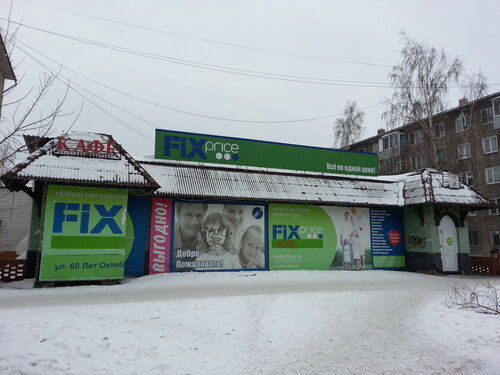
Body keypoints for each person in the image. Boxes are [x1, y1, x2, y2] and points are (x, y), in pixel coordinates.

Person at [173, 202, 207, 271]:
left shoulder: (209, 239)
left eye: (199, 215)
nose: (194, 222)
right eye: (188, 215)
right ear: (178, 215)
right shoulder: (165, 237)